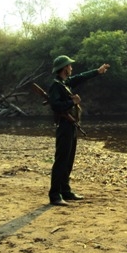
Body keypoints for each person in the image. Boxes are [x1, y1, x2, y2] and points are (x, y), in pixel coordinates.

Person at [48, 55, 110, 206]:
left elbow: (80, 77)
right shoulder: (56, 85)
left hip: (71, 126)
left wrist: (97, 71)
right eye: (69, 66)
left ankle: (66, 191)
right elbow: (55, 106)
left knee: (68, 160)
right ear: (64, 68)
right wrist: (72, 101)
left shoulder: (64, 83)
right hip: (64, 125)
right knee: (61, 160)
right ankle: (55, 195)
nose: (71, 68)